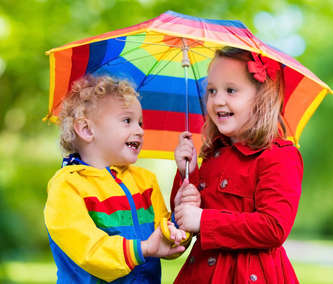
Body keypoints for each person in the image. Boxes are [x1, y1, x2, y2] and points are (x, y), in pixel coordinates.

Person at [171, 47, 303, 284]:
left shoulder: (279, 156)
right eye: (211, 91)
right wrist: (186, 172)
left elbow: (273, 227)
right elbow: (183, 225)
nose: (218, 100)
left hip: (249, 275)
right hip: (201, 273)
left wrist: (203, 220)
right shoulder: (213, 155)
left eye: (231, 90)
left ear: (262, 97)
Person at [44, 75, 186, 284]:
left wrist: (179, 219)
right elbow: (89, 250)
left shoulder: (144, 181)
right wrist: (143, 249)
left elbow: (162, 240)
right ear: (86, 129)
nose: (139, 130)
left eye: (140, 123)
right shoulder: (68, 186)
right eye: (127, 120)